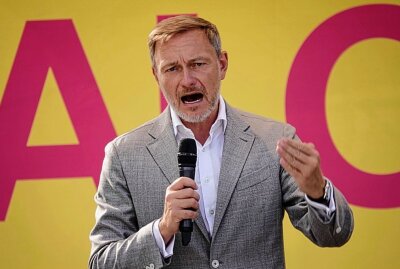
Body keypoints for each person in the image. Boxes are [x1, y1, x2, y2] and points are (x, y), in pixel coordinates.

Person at [89, 15, 353, 269]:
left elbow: (333, 235)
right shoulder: (124, 155)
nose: (187, 80)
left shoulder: (275, 139)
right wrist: (163, 229)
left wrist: (318, 192)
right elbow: (101, 262)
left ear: (222, 64)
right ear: (157, 77)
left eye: (198, 64)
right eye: (172, 69)